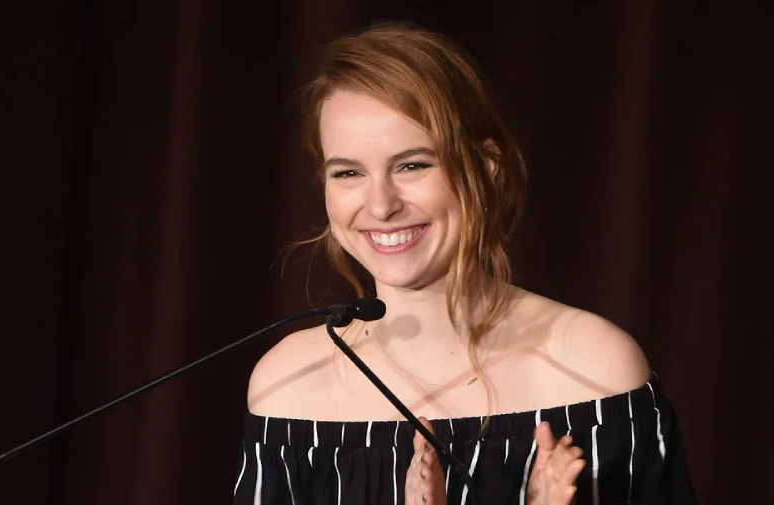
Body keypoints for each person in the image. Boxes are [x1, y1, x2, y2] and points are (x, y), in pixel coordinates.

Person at [233, 22, 697, 505]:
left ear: (486, 169)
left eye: (412, 164)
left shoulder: (596, 369)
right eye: (349, 172)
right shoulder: (290, 384)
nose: (381, 204)